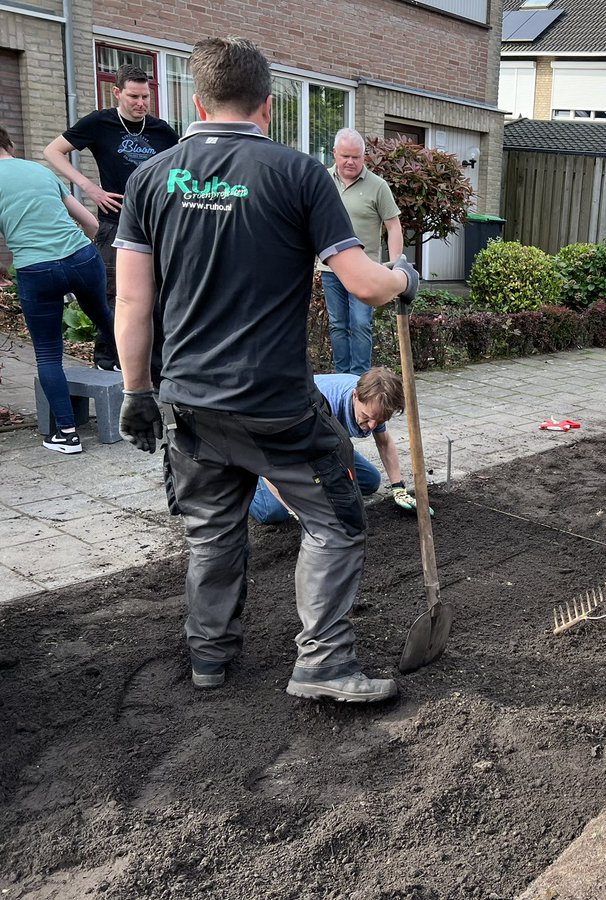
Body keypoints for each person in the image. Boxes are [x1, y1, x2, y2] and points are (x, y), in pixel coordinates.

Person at [113, 37, 419, 703]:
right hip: (273, 401)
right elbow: (364, 284)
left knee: (212, 529)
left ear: (194, 100)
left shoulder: (149, 178)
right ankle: (324, 663)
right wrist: (404, 276)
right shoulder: (298, 174)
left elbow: (133, 299)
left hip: (189, 401)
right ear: (267, 106)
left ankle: (210, 658)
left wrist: (137, 392)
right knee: (338, 520)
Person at [43, 64, 178, 372]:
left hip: (154, 225)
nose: (141, 103)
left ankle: (154, 368)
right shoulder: (99, 123)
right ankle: (108, 360)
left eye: (146, 96)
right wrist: (90, 187)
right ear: (117, 92)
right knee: (114, 293)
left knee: (156, 295)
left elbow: (185, 164)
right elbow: (52, 151)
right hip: (115, 222)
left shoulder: (161, 130)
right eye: (133, 96)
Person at [0, 124, 115, 454]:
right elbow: (91, 223)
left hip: (37, 270)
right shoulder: (39, 170)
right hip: (82, 257)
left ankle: (67, 435)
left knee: (48, 353)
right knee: (106, 319)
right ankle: (139, 387)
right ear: (9, 143)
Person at [249, 368, 433, 523]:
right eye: (367, 418)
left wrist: (398, 488)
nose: (371, 426)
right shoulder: (318, 408)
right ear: (355, 396)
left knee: (370, 481)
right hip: (269, 444)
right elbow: (275, 458)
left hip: (325, 446)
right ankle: (241, 474)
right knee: (272, 512)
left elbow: (384, 443)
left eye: (379, 420)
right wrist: (298, 511)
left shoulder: (375, 401)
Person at [318, 128, 404, 375]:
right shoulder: (322, 181)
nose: (350, 162)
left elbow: (393, 225)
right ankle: (342, 376)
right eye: (345, 156)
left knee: (360, 324)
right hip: (330, 268)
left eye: (356, 157)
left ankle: (360, 378)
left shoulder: (378, 186)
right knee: (337, 325)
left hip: (365, 270)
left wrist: (396, 264)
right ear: (334, 153)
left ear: (364, 157)